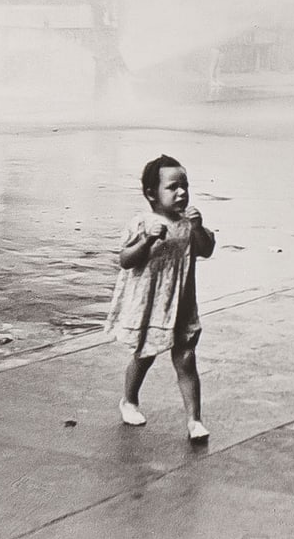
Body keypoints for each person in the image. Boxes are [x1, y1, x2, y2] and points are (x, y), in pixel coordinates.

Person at [104, 154, 215, 441]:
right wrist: (148, 240)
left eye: (185, 186)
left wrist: (198, 228)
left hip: (182, 303)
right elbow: (126, 260)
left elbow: (206, 250)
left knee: (186, 358)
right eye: (173, 187)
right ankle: (129, 400)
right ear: (152, 193)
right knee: (145, 355)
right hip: (150, 305)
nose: (182, 193)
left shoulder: (188, 224)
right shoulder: (142, 223)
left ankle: (194, 421)